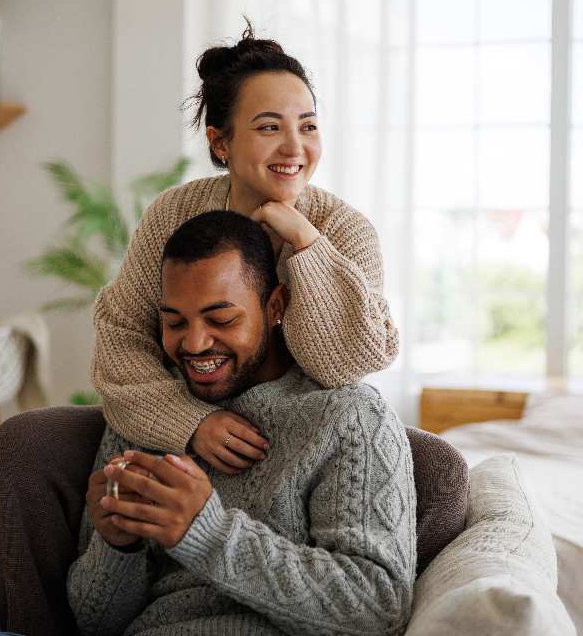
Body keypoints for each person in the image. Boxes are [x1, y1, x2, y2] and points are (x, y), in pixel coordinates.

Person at [69, 211, 416, 635]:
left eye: (221, 320)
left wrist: (209, 533)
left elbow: (378, 607)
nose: (194, 344)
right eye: (175, 322)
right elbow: (91, 622)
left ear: (275, 307)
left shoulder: (350, 418)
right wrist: (116, 547)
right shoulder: (145, 411)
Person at [92, 22, 399, 476]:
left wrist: (306, 243)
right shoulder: (173, 214)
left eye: (308, 125)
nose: (295, 146)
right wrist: (192, 423)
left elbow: (344, 364)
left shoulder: (345, 230)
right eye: (270, 127)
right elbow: (120, 342)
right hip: (183, 440)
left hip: (299, 448)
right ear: (220, 142)